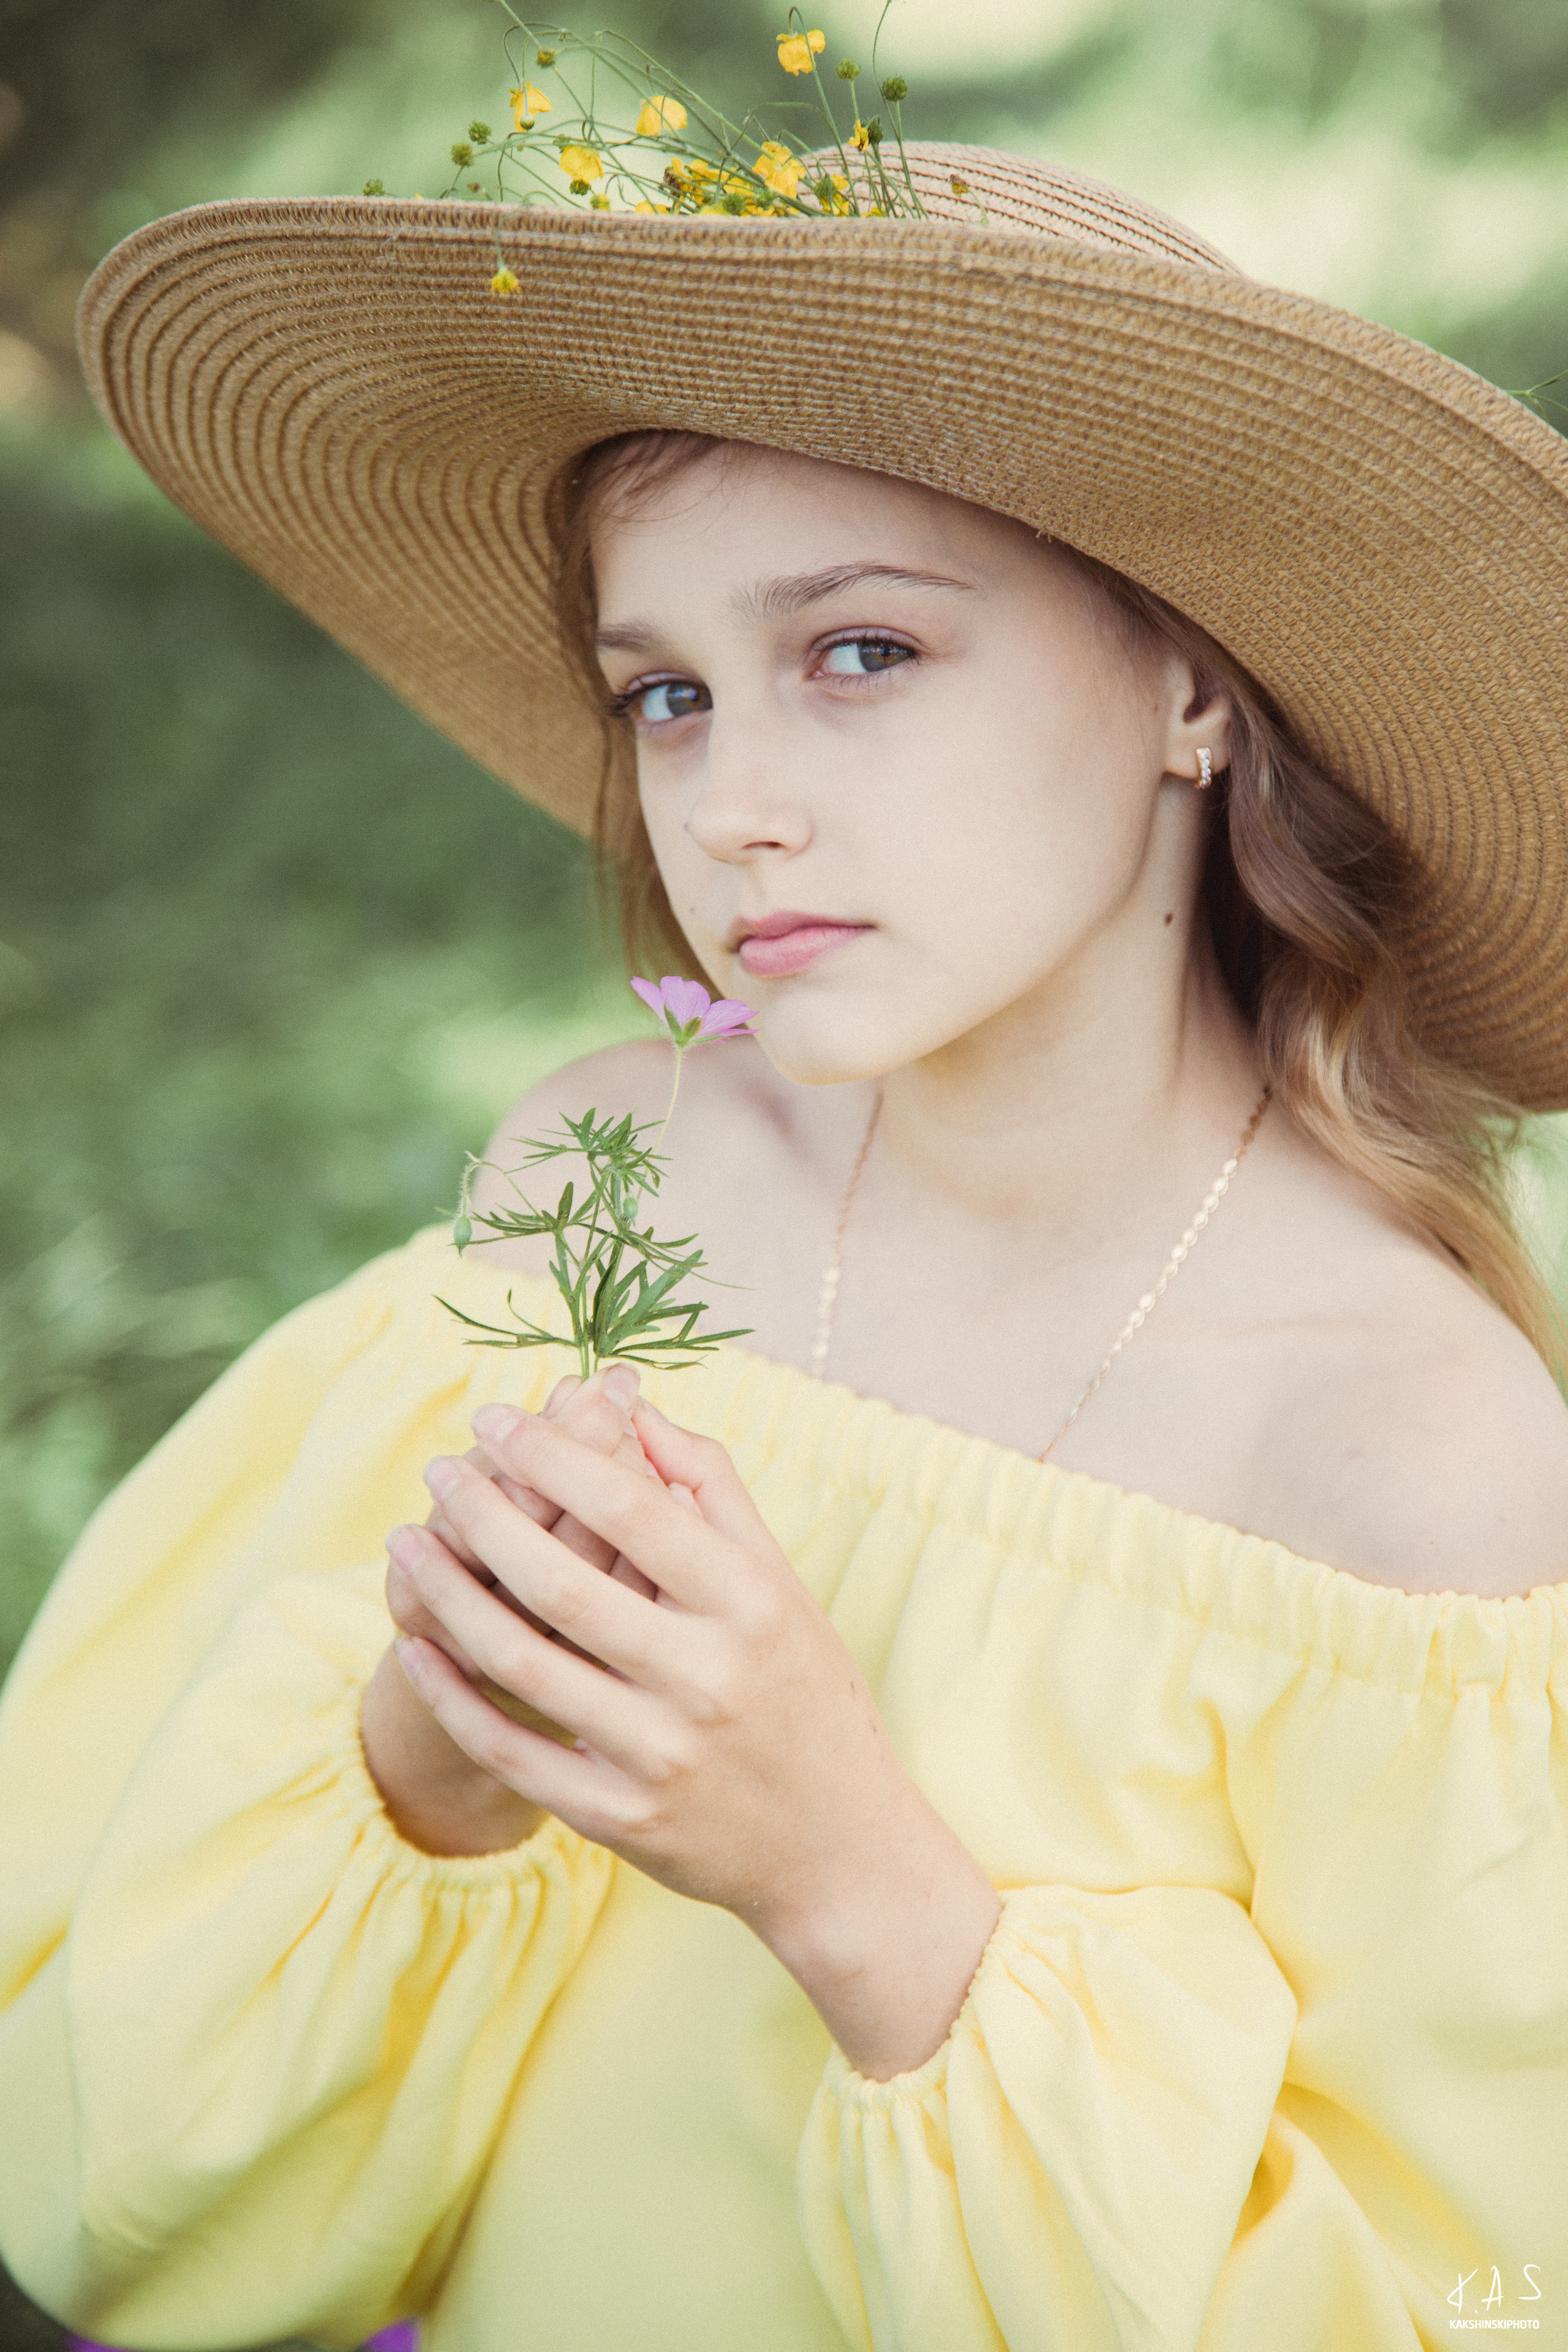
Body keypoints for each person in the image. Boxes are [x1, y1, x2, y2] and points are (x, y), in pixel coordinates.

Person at [1, 140, 1566, 2352]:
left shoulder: (1409, 1465)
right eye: (667, 693)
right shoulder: (606, 1191)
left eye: (861, 650)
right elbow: (143, 2200)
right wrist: (430, 1761)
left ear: (1194, 694)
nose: (730, 806)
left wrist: (850, 1881)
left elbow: (1470, 2300)